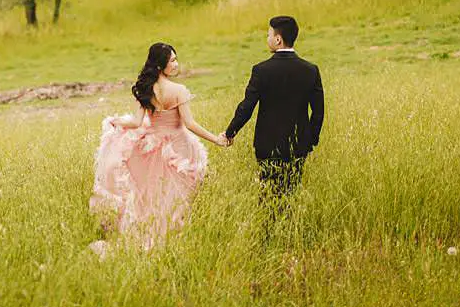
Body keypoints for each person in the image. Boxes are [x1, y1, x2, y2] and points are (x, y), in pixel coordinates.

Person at [90, 42, 228, 252]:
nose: (176, 64)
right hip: (178, 150)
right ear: (160, 65)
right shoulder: (179, 90)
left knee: (153, 198)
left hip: (152, 149)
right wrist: (215, 139)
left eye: (175, 59)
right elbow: (189, 124)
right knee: (175, 199)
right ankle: (170, 241)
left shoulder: (146, 89)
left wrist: (116, 122)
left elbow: (136, 122)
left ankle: (155, 239)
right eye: (172, 60)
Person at [224, 15, 324, 203]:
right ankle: (290, 229)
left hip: (267, 145)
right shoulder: (311, 70)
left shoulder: (261, 70)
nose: (267, 38)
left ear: (278, 39)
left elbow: (247, 107)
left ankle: (269, 231)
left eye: (268, 34)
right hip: (298, 145)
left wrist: (230, 132)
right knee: (291, 194)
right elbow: (318, 113)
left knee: (268, 196)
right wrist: (310, 142)